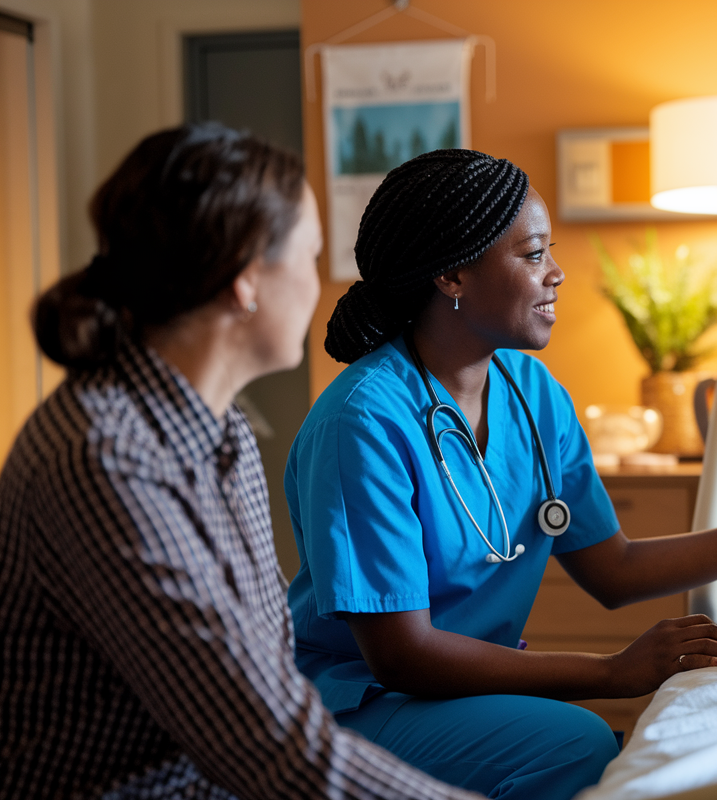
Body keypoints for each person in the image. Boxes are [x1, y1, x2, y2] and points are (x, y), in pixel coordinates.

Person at [285, 148, 717, 800]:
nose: (558, 274)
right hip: (358, 698)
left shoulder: (532, 392)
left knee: (580, 745)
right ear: (453, 276)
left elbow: (615, 568)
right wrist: (609, 673)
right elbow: (401, 653)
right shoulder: (364, 420)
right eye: (533, 254)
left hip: (457, 689)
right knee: (574, 744)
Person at [0, 124, 474, 799]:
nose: (319, 289)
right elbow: (267, 749)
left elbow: (268, 691)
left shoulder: (224, 433)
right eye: (309, 260)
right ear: (246, 280)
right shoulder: (104, 459)